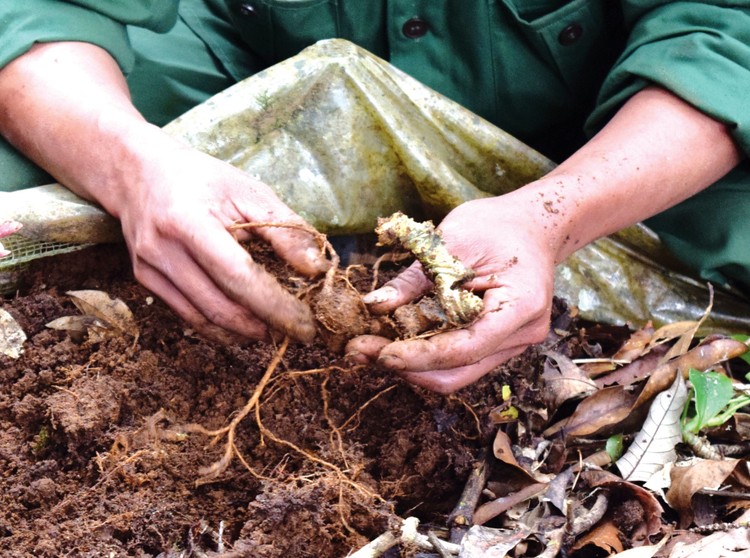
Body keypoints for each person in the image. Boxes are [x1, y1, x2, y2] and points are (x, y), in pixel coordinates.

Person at [0, 2, 748, 393]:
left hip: (599, 123)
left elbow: (724, 35)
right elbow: (36, 13)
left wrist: (551, 216)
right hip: (257, 54)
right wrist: (138, 170)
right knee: (36, 155)